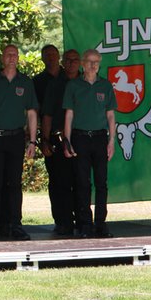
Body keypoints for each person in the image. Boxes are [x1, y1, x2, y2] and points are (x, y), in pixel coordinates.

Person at [0, 44, 38, 241]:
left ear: (18, 58)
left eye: (15, 55)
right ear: (3, 58)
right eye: (8, 55)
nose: (12, 58)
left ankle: (15, 226)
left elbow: (32, 113)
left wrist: (33, 141)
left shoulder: (25, 82)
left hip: (16, 137)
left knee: (14, 184)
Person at [62, 49, 117, 239]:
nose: (93, 65)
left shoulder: (106, 85)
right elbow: (69, 114)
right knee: (82, 183)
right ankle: (85, 224)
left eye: (97, 62)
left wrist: (112, 140)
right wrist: (67, 141)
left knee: (102, 183)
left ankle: (100, 224)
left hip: (100, 138)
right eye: (90, 62)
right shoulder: (73, 85)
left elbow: (111, 115)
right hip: (80, 138)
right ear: (83, 63)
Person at [40, 49, 81, 236]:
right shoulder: (55, 84)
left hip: (82, 139)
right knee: (60, 183)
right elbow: (46, 114)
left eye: (75, 60)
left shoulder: (87, 82)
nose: (71, 63)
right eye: (68, 60)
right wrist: (45, 140)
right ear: (63, 62)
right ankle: (63, 221)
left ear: (80, 63)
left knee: (81, 182)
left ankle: (83, 220)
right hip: (57, 140)